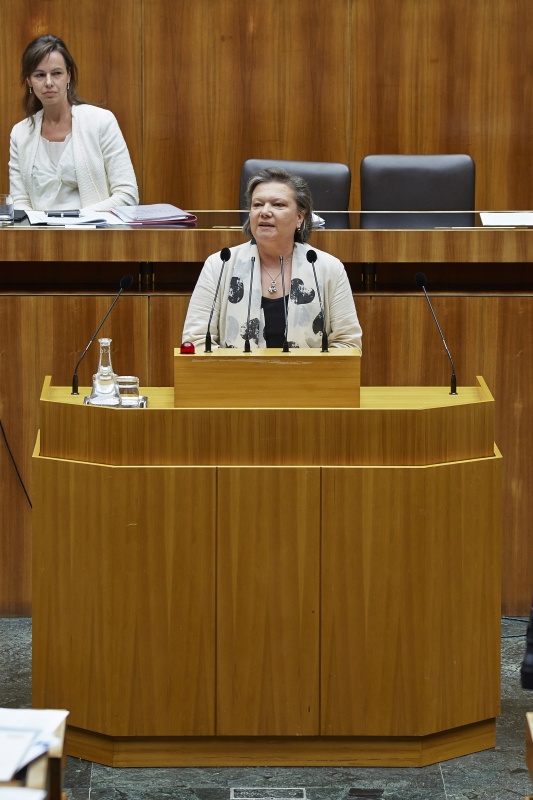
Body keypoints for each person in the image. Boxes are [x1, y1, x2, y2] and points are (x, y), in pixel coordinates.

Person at [182, 167, 362, 351]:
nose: (264, 212)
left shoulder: (327, 268)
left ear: (300, 217)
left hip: (306, 379)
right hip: (236, 378)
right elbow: (196, 341)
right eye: (257, 204)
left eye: (278, 205)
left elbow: (348, 343)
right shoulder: (220, 265)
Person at [9, 34, 138, 212]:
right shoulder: (20, 133)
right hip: (39, 237)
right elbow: (20, 201)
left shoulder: (101, 121)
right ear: (29, 81)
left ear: (68, 76)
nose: (48, 82)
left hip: (94, 234)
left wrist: (76, 220)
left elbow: (127, 195)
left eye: (56, 73)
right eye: (40, 75)